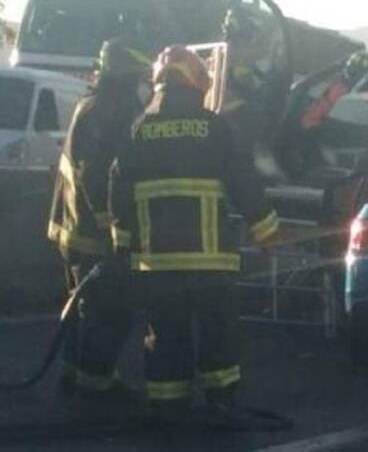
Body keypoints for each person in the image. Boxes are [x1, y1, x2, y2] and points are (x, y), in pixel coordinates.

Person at [109, 45, 279, 420]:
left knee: (166, 333)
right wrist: (267, 230)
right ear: (196, 82)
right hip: (210, 260)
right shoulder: (216, 127)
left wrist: (122, 244)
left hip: (156, 261)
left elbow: (118, 188)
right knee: (217, 330)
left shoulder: (138, 129)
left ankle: (168, 406)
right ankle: (221, 403)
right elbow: (244, 182)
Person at [47, 37, 151, 398]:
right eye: (141, 76)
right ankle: (96, 384)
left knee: (82, 305)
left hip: (73, 227)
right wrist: (113, 228)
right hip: (92, 232)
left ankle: (74, 375)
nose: (145, 84)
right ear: (126, 77)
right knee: (110, 308)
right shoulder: (111, 109)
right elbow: (96, 173)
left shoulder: (91, 103)